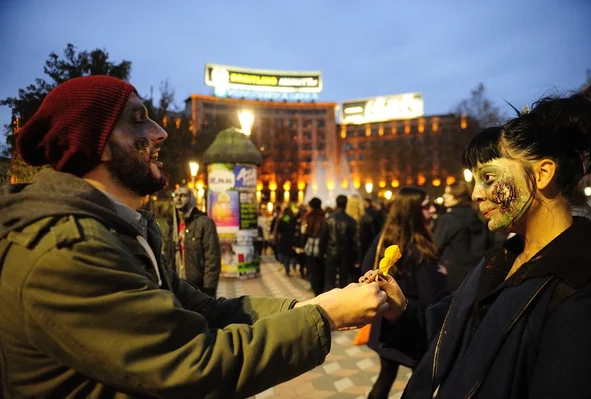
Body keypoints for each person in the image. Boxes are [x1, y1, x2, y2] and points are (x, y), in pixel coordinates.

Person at [0, 76, 390, 398]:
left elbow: (204, 312)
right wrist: (326, 316)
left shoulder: (120, 229)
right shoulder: (68, 251)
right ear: (95, 144)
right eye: (138, 121)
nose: (160, 132)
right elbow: (193, 364)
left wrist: (317, 305)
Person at [360, 93, 591, 398]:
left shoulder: (582, 288)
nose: (476, 194)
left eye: (488, 177)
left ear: (542, 174)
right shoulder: (498, 261)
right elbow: (445, 342)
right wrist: (400, 309)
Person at [361, 187, 446, 399]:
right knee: (420, 384)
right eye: (426, 206)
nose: (433, 210)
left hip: (386, 324)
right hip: (414, 326)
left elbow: (365, 269)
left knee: (386, 376)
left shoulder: (383, 239)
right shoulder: (421, 249)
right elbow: (430, 297)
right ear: (412, 210)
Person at [164, 186, 221, 298]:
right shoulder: (170, 227)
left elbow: (212, 258)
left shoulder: (204, 223)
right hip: (176, 286)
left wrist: (209, 288)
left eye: (183, 195)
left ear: (191, 199)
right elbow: (166, 257)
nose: (179, 199)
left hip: (198, 287)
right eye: (176, 195)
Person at [433, 180, 488, 292]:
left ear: (458, 197)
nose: (444, 196)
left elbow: (435, 246)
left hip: (452, 276)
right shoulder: (477, 217)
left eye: (448, 193)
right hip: (476, 273)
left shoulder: (449, 219)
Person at [320, 195, 359, 291]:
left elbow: (323, 238)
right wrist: (356, 258)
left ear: (336, 203)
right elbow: (354, 241)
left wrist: (321, 253)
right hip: (345, 253)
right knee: (344, 280)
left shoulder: (329, 219)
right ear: (346, 204)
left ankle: (327, 302)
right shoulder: (351, 221)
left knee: (329, 280)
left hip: (331, 252)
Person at [303, 197, 326, 295]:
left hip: (310, 244)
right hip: (320, 244)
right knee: (320, 268)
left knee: (311, 267)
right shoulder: (324, 216)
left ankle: (314, 286)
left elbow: (305, 231)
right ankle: (319, 289)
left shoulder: (308, 216)